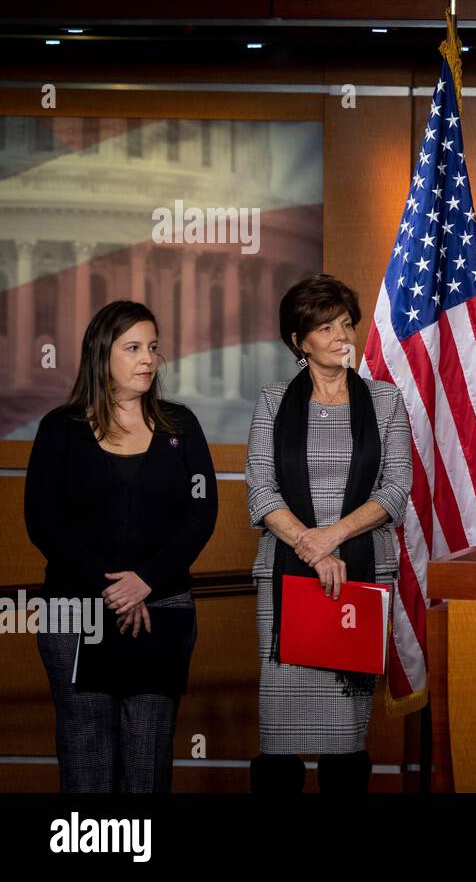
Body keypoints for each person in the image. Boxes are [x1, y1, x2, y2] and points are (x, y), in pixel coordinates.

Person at [26, 300, 217, 792]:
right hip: (76, 612)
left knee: (148, 757)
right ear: (101, 354)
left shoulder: (181, 427)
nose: (147, 359)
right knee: (86, 753)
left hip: (163, 609)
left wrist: (146, 582)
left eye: (152, 347)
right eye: (133, 348)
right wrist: (112, 589)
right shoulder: (59, 429)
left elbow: (201, 515)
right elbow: (43, 522)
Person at [246, 273, 411, 793]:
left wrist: (329, 539)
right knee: (280, 739)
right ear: (300, 341)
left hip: (359, 579)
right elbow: (261, 490)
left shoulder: (385, 401)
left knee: (344, 739)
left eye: (346, 324)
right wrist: (312, 550)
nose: (343, 336)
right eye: (326, 327)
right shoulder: (273, 402)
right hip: (286, 581)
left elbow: (395, 489)